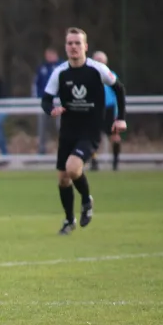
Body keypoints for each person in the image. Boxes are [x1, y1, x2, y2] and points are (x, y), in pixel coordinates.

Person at [41, 27, 126, 235]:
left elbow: (119, 88)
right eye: (69, 43)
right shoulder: (60, 72)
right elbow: (45, 99)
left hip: (91, 131)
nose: (73, 47)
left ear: (85, 46)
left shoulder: (97, 69)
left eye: (77, 43)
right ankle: (69, 220)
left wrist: (121, 118)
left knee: (72, 167)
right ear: (66, 47)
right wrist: (52, 109)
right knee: (63, 179)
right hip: (68, 132)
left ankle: (87, 199)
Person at [89, 51, 121, 171]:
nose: (99, 62)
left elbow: (117, 95)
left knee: (114, 136)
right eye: (97, 60)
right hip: (95, 109)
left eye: (101, 60)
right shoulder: (89, 76)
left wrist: (117, 114)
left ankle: (115, 163)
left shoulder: (111, 75)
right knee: (93, 137)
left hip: (109, 109)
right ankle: (94, 161)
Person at [33, 48, 63, 154]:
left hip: (60, 101)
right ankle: (41, 150)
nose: (48, 57)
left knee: (62, 126)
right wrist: (37, 98)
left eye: (50, 55)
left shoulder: (62, 67)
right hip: (45, 101)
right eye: (47, 55)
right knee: (42, 127)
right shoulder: (42, 68)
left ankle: (64, 148)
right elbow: (37, 84)